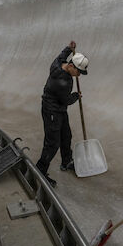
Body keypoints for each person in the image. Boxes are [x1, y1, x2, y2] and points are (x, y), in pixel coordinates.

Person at [36, 41, 89, 187]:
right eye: (79, 72)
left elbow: (61, 55)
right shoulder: (62, 82)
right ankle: (40, 170)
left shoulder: (59, 63)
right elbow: (65, 100)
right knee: (52, 143)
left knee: (66, 135)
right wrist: (76, 96)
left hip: (59, 109)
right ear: (71, 66)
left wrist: (69, 48)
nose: (79, 75)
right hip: (52, 110)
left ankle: (66, 161)